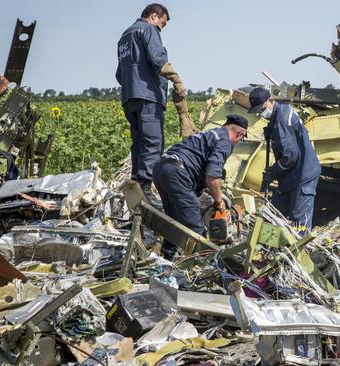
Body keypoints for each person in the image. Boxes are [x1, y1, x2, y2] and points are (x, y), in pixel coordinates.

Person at [115, 3, 195, 207]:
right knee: (152, 144)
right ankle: (145, 191)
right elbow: (158, 59)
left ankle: (135, 191)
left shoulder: (124, 36)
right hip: (148, 97)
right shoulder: (148, 29)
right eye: (163, 23)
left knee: (138, 143)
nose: (162, 28)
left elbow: (119, 74)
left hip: (129, 98)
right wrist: (176, 79)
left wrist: (134, 83)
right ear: (153, 17)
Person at [152, 115, 248, 260]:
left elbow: (202, 170)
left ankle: (165, 260)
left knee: (175, 222)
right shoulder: (225, 142)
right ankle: (200, 269)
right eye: (242, 139)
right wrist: (218, 201)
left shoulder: (209, 134)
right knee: (195, 228)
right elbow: (212, 175)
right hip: (178, 173)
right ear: (240, 134)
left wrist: (214, 192)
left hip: (161, 168)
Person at [248, 87, 321, 231]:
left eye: (262, 109)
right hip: (291, 176)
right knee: (274, 213)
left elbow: (290, 156)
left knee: (299, 221)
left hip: (302, 175)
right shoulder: (281, 112)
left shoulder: (281, 119)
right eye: (258, 111)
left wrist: (273, 171)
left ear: (271, 101)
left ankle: (300, 250)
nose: (261, 113)